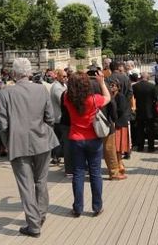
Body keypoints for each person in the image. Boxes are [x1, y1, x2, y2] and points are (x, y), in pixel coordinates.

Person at [0, 58, 59, 238]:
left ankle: (33, 224)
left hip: (18, 142)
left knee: (26, 185)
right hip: (42, 140)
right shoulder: (41, 89)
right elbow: (50, 117)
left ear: (14, 74)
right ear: (30, 72)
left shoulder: (6, 93)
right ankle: (41, 215)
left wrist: (7, 143)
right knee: (41, 181)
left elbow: (2, 124)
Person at [61, 71, 111, 218]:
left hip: (75, 139)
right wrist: (101, 83)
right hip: (94, 139)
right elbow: (108, 97)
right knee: (95, 173)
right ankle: (97, 206)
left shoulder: (66, 98)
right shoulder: (94, 99)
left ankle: (78, 208)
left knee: (78, 173)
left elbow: (67, 92)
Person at [109, 79, 131, 176]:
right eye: (111, 85)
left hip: (120, 123)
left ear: (118, 87)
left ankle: (120, 163)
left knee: (118, 145)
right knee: (116, 146)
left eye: (114, 85)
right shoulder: (112, 96)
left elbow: (121, 109)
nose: (112, 87)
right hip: (115, 123)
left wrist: (113, 117)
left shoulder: (120, 96)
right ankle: (119, 162)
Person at [132, 72, 158, 152]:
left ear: (141, 77)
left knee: (140, 130)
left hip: (139, 110)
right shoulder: (153, 86)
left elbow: (133, 97)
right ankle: (151, 147)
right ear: (148, 78)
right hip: (150, 111)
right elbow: (156, 98)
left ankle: (140, 147)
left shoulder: (135, 86)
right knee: (150, 130)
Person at [50, 69, 68, 167]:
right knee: (59, 138)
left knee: (59, 138)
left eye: (66, 76)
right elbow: (62, 102)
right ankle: (55, 156)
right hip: (58, 117)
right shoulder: (57, 87)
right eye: (63, 76)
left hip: (61, 116)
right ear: (58, 76)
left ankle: (56, 155)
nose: (65, 78)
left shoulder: (63, 85)